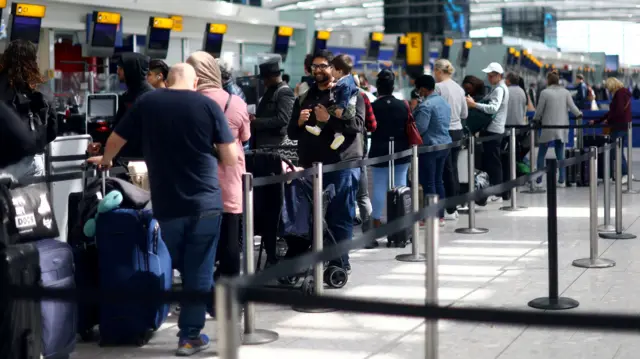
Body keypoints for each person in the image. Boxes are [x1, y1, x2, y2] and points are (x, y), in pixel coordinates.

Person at [88, 63, 237, 356]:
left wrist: (106, 159)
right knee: (199, 268)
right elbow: (230, 157)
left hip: (168, 202)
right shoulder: (207, 105)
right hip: (205, 201)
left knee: (181, 262)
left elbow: (118, 137)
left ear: (167, 81)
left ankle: (201, 307)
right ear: (195, 83)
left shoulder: (148, 101)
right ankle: (190, 335)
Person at [288, 49, 364, 272]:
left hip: (341, 164)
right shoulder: (304, 96)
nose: (319, 70)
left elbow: (357, 126)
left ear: (334, 68)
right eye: (315, 66)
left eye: (324, 66)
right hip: (311, 165)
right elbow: (292, 133)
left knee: (339, 214)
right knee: (309, 215)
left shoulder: (350, 93)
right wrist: (300, 123)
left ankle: (339, 262)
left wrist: (328, 119)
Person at [186, 51, 250, 279]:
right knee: (231, 234)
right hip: (230, 175)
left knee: (198, 238)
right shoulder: (236, 102)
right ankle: (229, 287)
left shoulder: (187, 102)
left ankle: (199, 285)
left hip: (197, 179)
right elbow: (245, 136)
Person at [0, 39, 57, 182]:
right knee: (33, 201)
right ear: (33, 60)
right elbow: (53, 130)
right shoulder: (42, 89)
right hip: (33, 160)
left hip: (4, 162)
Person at [88, 53, 154, 157]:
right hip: (125, 157)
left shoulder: (149, 97)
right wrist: (103, 145)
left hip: (143, 160)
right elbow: (118, 127)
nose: (117, 71)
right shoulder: (128, 96)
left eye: (121, 68)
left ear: (131, 70)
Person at [369, 69, 411, 233]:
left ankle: (377, 220)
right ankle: (401, 219)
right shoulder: (403, 105)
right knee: (400, 184)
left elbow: (369, 127)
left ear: (378, 88)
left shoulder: (373, 107)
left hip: (379, 149)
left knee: (379, 186)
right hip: (401, 149)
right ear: (393, 87)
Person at [465, 62, 509, 203]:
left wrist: (474, 105)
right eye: (488, 75)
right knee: (493, 161)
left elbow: (492, 108)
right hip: (496, 129)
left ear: (498, 75)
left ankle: (497, 193)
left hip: (494, 130)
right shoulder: (499, 88)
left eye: (491, 75)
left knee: (493, 162)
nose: (488, 78)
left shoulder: (499, 90)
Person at [532, 71, 582, 188]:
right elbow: (573, 107)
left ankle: (539, 181)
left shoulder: (545, 93)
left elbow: (539, 110)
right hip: (561, 127)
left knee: (541, 154)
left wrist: (535, 119)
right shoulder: (565, 92)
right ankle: (561, 180)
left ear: (548, 80)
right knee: (560, 154)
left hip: (547, 128)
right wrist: (579, 114)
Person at [414, 74, 451, 226]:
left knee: (428, 182)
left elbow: (421, 128)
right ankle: (440, 215)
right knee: (438, 180)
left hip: (430, 147)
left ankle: (431, 217)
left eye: (419, 89)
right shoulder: (443, 102)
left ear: (423, 88)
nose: (418, 92)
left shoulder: (426, 106)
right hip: (444, 144)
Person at [433, 59, 467, 221]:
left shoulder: (438, 88)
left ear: (439, 71)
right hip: (458, 131)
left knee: (445, 171)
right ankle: (454, 206)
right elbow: (464, 114)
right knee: (453, 168)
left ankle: (450, 208)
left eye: (434, 71)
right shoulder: (459, 88)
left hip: (444, 132)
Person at [305, 54, 358, 150]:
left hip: (347, 109)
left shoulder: (345, 84)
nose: (317, 70)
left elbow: (345, 96)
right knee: (326, 111)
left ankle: (320, 129)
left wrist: (340, 108)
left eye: (332, 68)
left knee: (326, 110)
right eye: (314, 66)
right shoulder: (345, 80)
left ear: (340, 71)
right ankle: (337, 135)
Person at [590, 77, 632, 183]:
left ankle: (625, 174)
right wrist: (598, 121)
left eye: (608, 87)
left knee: (616, 152)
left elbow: (616, 112)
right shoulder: (624, 93)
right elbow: (613, 112)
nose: (608, 90)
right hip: (625, 126)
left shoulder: (619, 94)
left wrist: (607, 121)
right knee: (619, 151)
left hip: (618, 127)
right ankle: (625, 173)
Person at [251, 59, 295, 149]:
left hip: (275, 143)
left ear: (271, 77)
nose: (263, 82)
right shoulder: (271, 90)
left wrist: (256, 121)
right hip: (265, 142)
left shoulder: (284, 92)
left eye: (265, 79)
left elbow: (283, 119)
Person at [352, 73, 376, 235]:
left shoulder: (332, 96)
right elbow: (372, 125)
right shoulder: (364, 97)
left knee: (342, 195)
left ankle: (342, 235)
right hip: (359, 151)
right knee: (362, 195)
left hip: (337, 154)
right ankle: (369, 234)